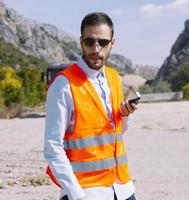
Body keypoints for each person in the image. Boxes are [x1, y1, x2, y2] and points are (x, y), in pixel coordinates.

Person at [44, 12, 137, 200]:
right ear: (81, 42)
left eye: (102, 42)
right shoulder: (63, 85)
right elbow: (53, 147)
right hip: (87, 192)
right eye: (89, 42)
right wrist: (77, 195)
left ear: (112, 43)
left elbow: (117, 132)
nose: (96, 49)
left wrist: (125, 115)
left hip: (122, 188)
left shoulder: (114, 78)